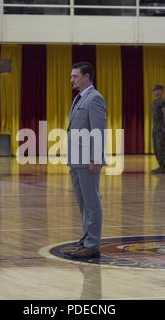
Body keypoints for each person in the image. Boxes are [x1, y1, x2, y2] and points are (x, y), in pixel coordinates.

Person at [64, 61, 107, 259]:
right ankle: (86, 240)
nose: (72, 79)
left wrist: (95, 157)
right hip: (76, 159)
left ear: (87, 77)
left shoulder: (95, 99)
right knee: (83, 203)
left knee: (91, 202)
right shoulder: (81, 97)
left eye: (75, 76)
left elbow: (98, 131)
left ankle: (92, 244)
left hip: (87, 160)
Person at [151, 84, 165, 174]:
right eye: (154, 91)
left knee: (161, 147)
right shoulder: (155, 101)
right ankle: (160, 165)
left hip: (161, 128)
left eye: (156, 90)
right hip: (156, 128)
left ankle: (163, 166)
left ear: (160, 91)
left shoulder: (163, 101)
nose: (154, 92)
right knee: (156, 147)